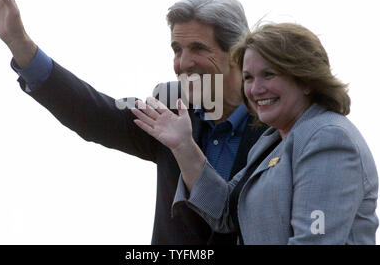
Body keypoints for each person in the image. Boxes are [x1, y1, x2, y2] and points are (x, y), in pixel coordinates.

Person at [0, 0, 267, 244]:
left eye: (198, 48)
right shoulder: (170, 107)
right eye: (177, 49)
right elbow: (93, 113)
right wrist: (19, 43)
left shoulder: (276, 123)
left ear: (236, 54)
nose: (183, 63)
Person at [131, 23, 379, 244]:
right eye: (248, 77)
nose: (255, 89)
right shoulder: (271, 141)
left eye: (268, 74)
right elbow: (225, 211)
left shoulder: (328, 139)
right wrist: (183, 146)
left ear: (306, 80)